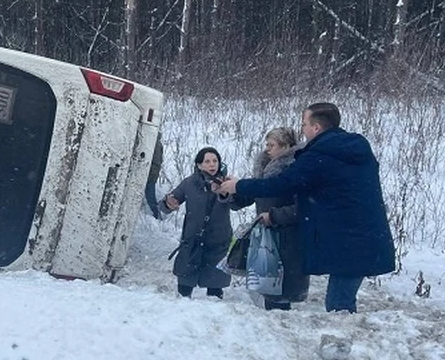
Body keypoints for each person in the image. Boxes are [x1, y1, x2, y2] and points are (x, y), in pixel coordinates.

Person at [216, 103, 395, 313]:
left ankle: (341, 343)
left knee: (339, 305)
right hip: (364, 235)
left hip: (349, 240)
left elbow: (283, 183)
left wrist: (238, 185)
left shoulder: (320, 156)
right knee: (341, 299)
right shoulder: (354, 148)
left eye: (304, 124)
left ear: (316, 127)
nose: (302, 129)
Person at [230, 128, 309, 310]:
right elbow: (251, 195)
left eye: (272, 145)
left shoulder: (295, 171)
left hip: (288, 240)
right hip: (265, 237)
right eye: (266, 144)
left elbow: (302, 208)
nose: (267, 149)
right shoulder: (265, 169)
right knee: (267, 285)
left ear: (286, 147)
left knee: (280, 290)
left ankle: (279, 330)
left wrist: (274, 216)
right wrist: (231, 191)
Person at [163, 147, 232, 298]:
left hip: (217, 241)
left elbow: (241, 202)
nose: (212, 165)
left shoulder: (227, 183)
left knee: (215, 290)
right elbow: (170, 200)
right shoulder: (189, 183)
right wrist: (169, 203)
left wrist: (227, 193)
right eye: (207, 161)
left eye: (215, 161)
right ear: (199, 165)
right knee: (184, 290)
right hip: (192, 240)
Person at [144, 138, 164, 219]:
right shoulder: (158, 143)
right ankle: (156, 214)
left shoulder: (153, 142)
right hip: (152, 172)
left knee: (150, 195)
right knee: (150, 194)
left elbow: (155, 161)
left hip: (151, 173)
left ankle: (156, 214)